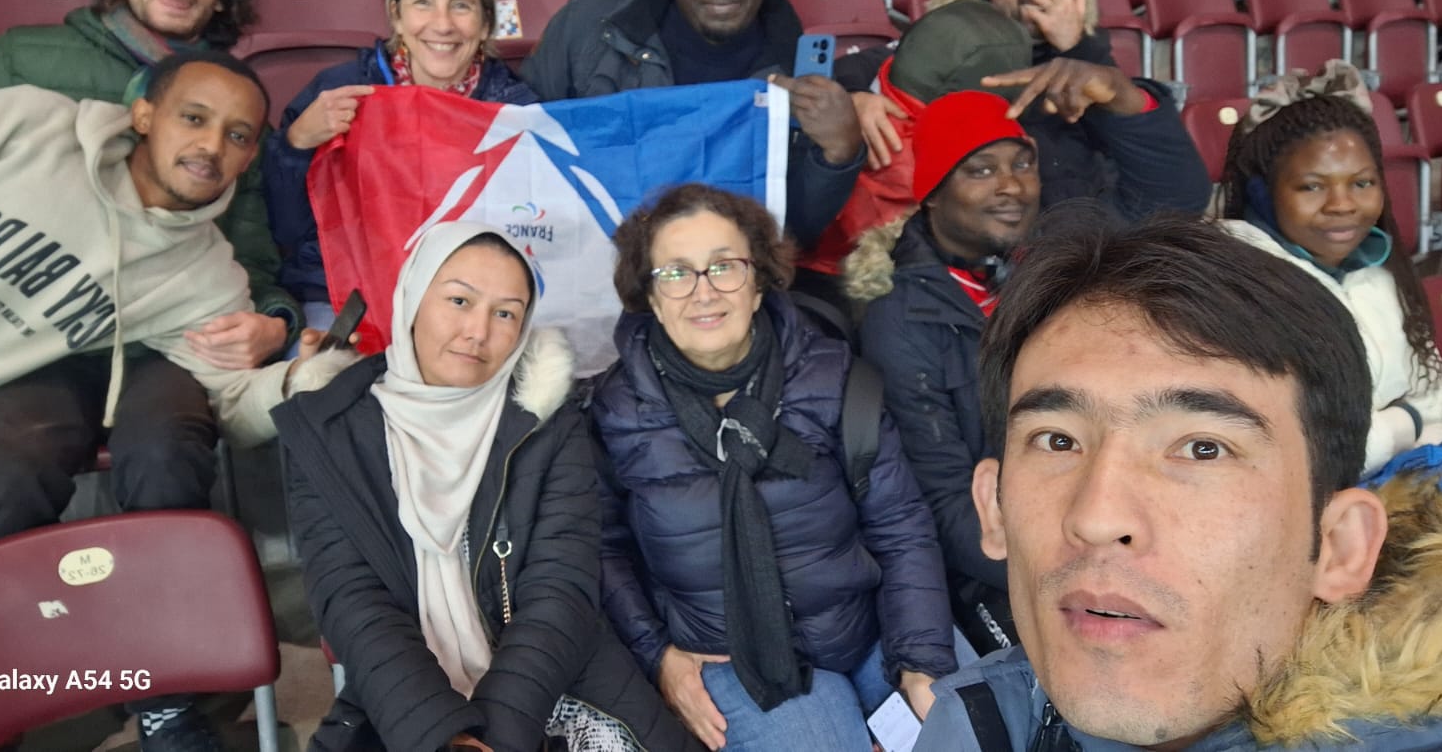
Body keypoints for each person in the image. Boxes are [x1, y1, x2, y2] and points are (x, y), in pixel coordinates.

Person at [916, 209, 1442, 750]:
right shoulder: (976, 718)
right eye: (1058, 440)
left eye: (1202, 448)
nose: (1097, 518)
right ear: (994, 508)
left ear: (1339, 547)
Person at [0, 50, 354, 749]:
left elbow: (232, 401)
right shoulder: (30, 124)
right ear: (145, 115)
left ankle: (157, 698)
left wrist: (300, 377)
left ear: (250, 157)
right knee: (14, 462)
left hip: (38, 380)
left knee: (133, 451)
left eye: (237, 135)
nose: (211, 146)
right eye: (194, 118)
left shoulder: (205, 272)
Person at [274, 222, 697, 752]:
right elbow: (352, 601)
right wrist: (446, 735)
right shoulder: (326, 429)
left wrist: (494, 736)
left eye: (505, 314)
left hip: (558, 678)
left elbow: (560, 591)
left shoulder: (546, 420)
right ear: (413, 299)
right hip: (405, 700)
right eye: (459, 301)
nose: (478, 331)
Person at [592, 184, 957, 751]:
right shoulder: (616, 412)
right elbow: (602, 548)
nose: (703, 291)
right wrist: (657, 655)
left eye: (724, 267)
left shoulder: (832, 375)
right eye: (676, 273)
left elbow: (900, 524)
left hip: (868, 625)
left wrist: (922, 663)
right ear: (651, 297)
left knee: (964, 733)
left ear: (759, 282)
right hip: (732, 657)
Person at [0, 0, 300, 369]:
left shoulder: (237, 104)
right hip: (7, 323)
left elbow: (249, 252)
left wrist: (274, 321)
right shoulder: (19, 58)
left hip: (157, 338)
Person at [822, 0, 1207, 274]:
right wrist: (855, 99)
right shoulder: (949, 40)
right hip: (951, 265)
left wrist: (1079, 49)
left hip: (1068, 255)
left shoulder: (1089, 67)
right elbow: (842, 76)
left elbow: (1175, 192)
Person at [520, 0, 863, 249]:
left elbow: (792, 231)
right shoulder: (585, 27)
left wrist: (838, 156)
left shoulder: (796, 70)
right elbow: (523, 142)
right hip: (592, 254)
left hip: (723, 272)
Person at [842, 90, 1040, 656]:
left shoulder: (1054, 272)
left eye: (1022, 163)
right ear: (931, 193)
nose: (1012, 185)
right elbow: (945, 505)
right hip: (991, 565)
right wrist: (1056, 573)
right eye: (981, 170)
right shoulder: (900, 319)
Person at [263, 0, 538, 337]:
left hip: (468, 308)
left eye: (461, 5)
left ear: (485, 24)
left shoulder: (519, 112)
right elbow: (284, 228)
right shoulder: (341, 92)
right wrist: (296, 145)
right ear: (396, 16)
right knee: (322, 375)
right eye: (422, 2)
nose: (442, 24)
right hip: (345, 299)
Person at [1218, 60, 1442, 474]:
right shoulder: (1235, 290)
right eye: (1312, 186)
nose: (1342, 204)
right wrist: (1407, 420)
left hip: (1404, 482)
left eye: (1362, 183)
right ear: (1262, 194)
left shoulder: (1381, 275)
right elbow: (1296, 455)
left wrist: (1393, 435)